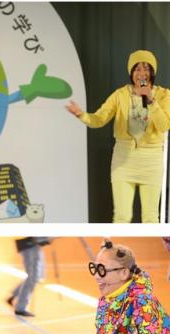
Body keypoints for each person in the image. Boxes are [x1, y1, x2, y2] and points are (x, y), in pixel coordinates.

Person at [67, 50, 170, 223]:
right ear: (131, 72)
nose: (141, 73)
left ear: (153, 72)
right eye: (137, 69)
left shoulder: (164, 95)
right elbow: (99, 119)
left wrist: (151, 100)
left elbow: (164, 125)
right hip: (123, 160)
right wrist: (81, 115)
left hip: (151, 160)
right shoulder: (120, 94)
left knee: (150, 217)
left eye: (146, 68)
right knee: (122, 216)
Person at [5, 237, 52, 317]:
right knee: (33, 276)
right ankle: (20, 308)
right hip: (29, 244)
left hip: (32, 244)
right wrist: (41, 239)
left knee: (38, 275)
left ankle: (14, 295)